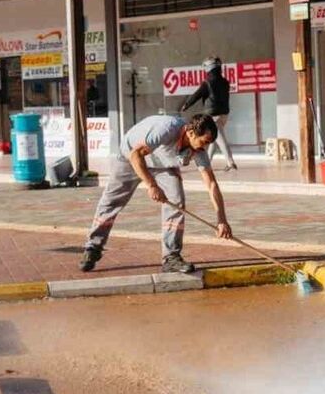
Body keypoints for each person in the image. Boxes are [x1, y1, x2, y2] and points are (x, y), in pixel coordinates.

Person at [81, 113, 232, 275]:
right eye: (204, 142)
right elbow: (135, 155)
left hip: (162, 165)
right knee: (111, 201)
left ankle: (171, 257)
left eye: (208, 143)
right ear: (190, 133)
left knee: (176, 202)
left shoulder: (199, 149)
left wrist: (222, 220)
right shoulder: (167, 129)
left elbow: (211, 183)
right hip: (131, 157)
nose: (205, 148)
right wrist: (152, 185)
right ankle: (93, 247)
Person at [179, 57, 237, 171]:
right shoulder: (225, 82)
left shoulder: (208, 83)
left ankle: (230, 162)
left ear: (208, 68)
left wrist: (186, 105)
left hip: (213, 116)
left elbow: (196, 95)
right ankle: (208, 161)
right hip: (224, 115)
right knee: (213, 138)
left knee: (220, 140)